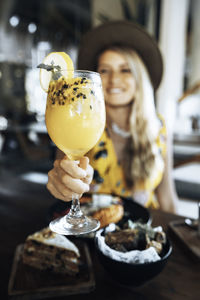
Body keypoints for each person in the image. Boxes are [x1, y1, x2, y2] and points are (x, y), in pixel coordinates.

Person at [47, 21, 177, 213]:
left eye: (125, 70)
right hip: (93, 226)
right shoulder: (79, 124)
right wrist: (61, 183)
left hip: (143, 231)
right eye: (104, 71)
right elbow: (62, 172)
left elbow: (167, 197)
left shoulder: (160, 128)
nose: (114, 80)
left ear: (140, 78)